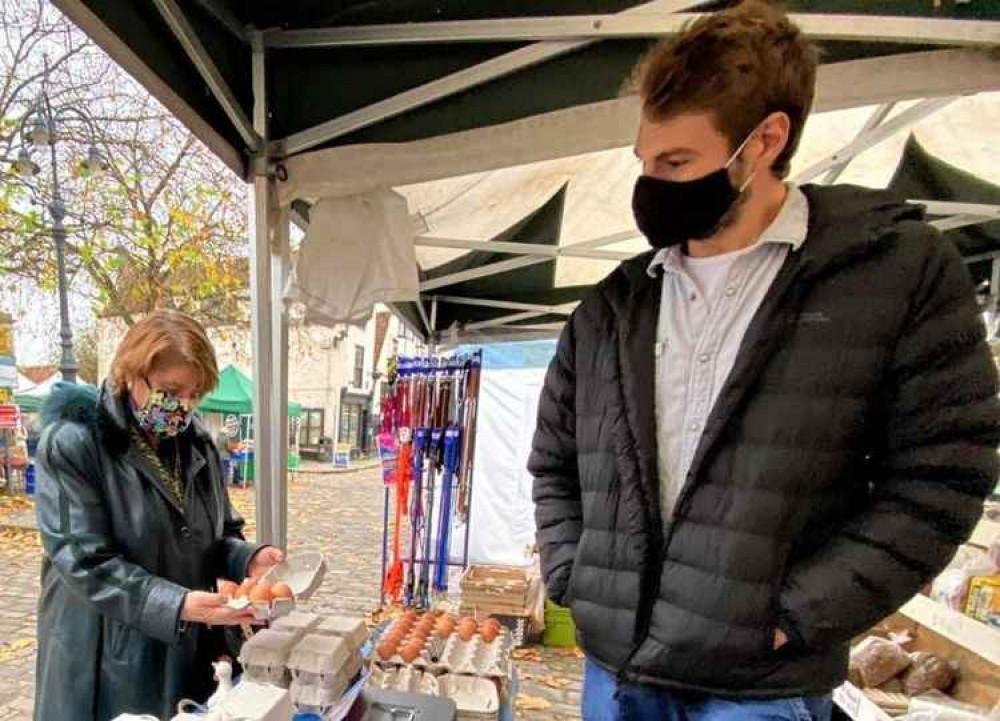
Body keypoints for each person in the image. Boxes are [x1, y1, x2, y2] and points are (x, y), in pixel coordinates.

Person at [529, 4, 1000, 720]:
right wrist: (575, 575)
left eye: (678, 162)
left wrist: (800, 611)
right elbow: (553, 463)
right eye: (646, 162)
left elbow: (941, 475)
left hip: (758, 685)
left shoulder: (891, 276)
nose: (652, 184)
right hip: (616, 672)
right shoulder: (612, 306)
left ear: (764, 141)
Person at [34, 309, 285, 721]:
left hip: (182, 641)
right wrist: (179, 603)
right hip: (105, 653)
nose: (183, 406)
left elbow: (219, 532)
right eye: (171, 390)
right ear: (130, 374)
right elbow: (83, 560)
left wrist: (247, 557)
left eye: (194, 393)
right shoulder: (75, 443)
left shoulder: (196, 443)